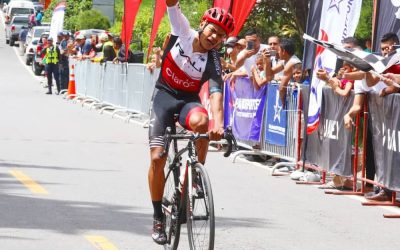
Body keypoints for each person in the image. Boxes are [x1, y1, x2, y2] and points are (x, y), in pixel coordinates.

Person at [148, 0, 234, 244]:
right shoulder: (183, 31)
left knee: (202, 122)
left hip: (187, 100)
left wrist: (218, 123)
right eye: (213, 30)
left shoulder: (214, 59)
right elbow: (172, 5)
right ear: (203, 25)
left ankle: (195, 175)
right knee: (157, 158)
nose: (215, 37)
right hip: (163, 96)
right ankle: (157, 217)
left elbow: (216, 93)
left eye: (220, 36)